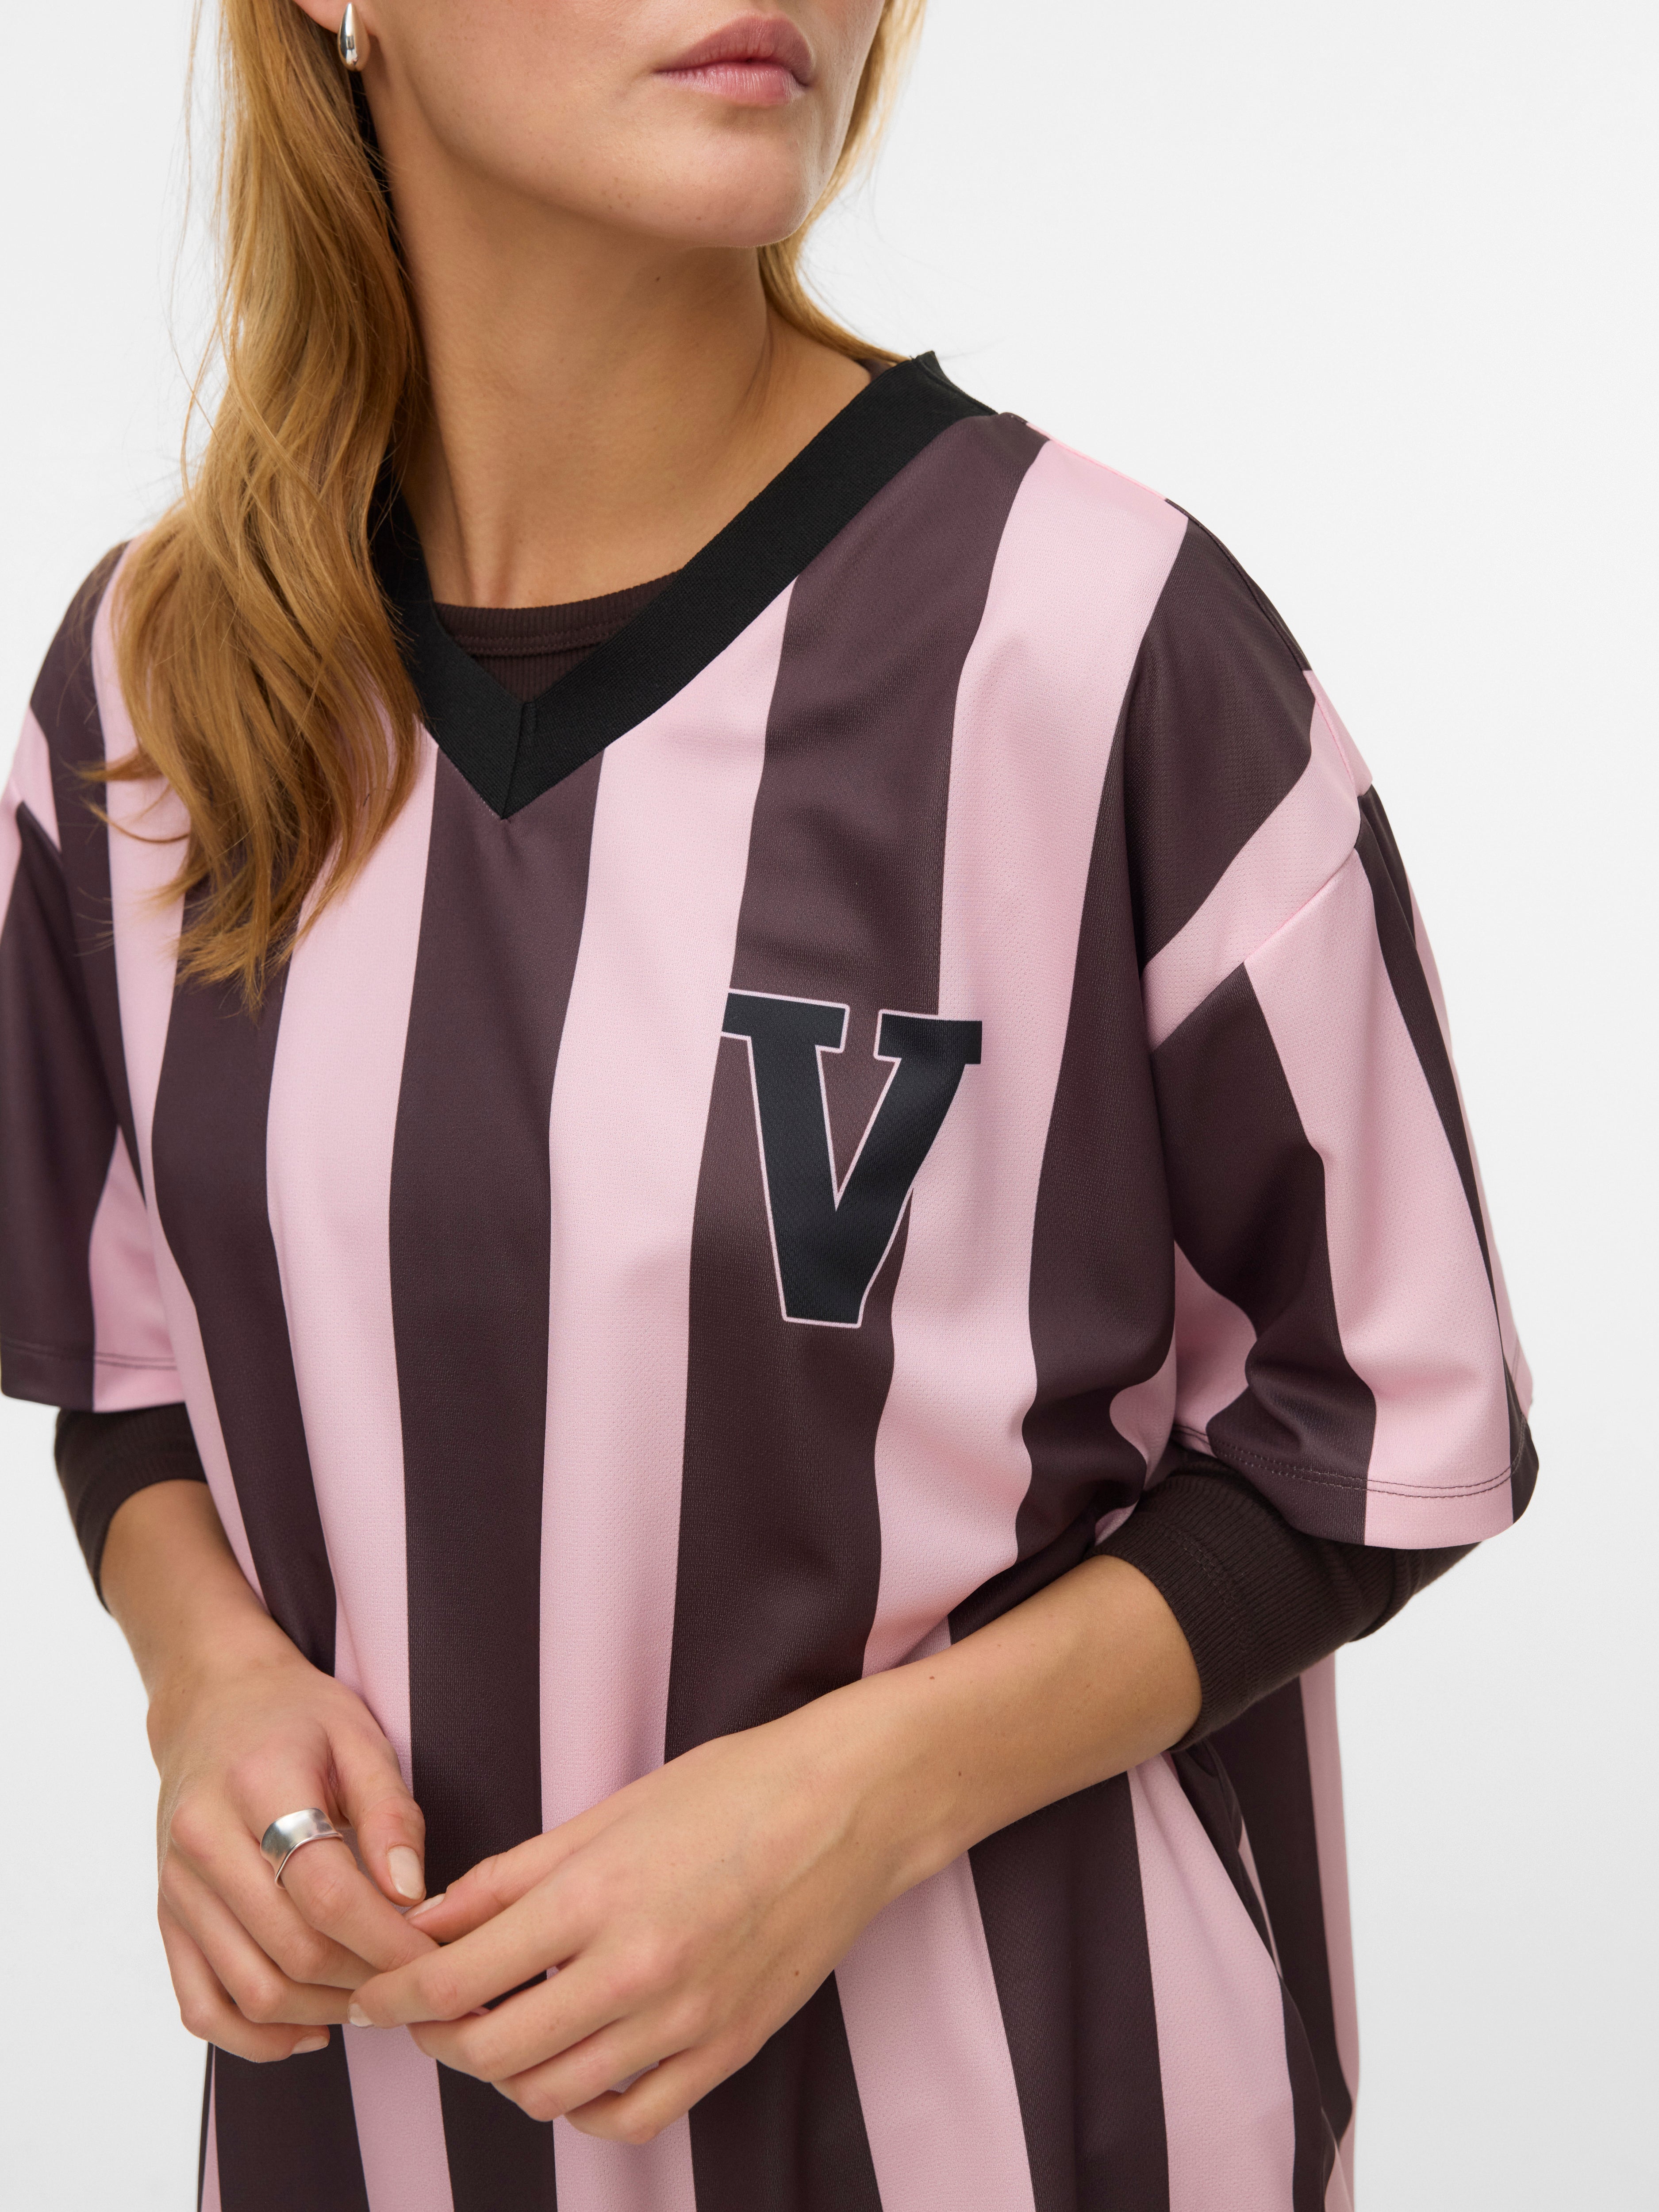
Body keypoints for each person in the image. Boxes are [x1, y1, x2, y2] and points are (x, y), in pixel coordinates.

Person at [0, 1, 1536, 2206]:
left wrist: (857, 1802)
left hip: (1038, 2125)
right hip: (377, 2136)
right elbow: (130, 1354)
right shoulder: (145, 692)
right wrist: (206, 1679)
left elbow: (1374, 1420)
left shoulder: (1096, 642)